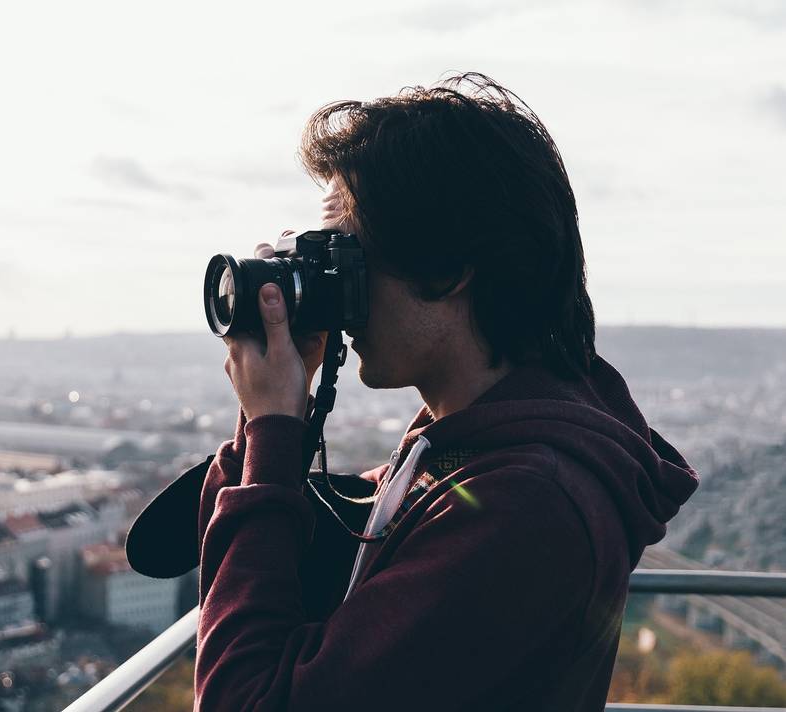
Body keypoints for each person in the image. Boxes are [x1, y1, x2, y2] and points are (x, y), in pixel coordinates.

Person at [195, 73, 699, 711]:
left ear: (448, 269)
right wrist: (266, 427)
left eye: (347, 256)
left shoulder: (524, 502)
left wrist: (272, 429)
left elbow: (244, 701)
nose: (335, 289)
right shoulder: (470, 445)